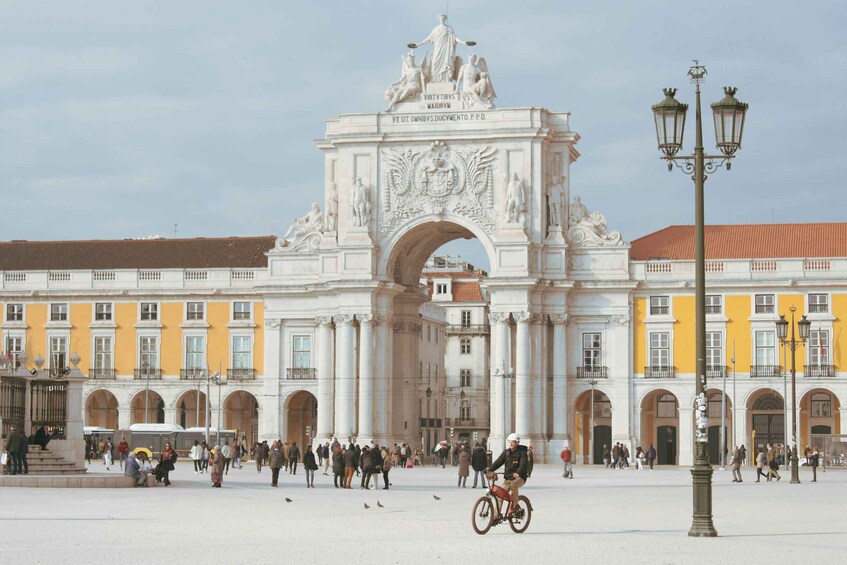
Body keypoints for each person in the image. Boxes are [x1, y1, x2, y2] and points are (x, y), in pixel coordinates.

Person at [409, 14, 473, 83]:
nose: (442, 20)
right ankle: (435, 80)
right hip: (437, 49)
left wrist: (463, 42)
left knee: (446, 63)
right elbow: (428, 38)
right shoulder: (436, 29)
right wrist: (418, 44)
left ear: (445, 19)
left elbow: (455, 38)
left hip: (446, 50)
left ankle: (446, 80)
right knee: (434, 63)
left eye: (443, 19)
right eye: (441, 19)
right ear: (439, 20)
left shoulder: (448, 28)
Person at [486, 433, 528, 517]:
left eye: (513, 442)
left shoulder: (522, 452)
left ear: (517, 442)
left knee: (513, 485)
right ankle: (495, 517)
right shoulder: (506, 452)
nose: (511, 443)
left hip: (520, 477)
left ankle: (515, 506)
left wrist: (518, 473)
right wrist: (490, 470)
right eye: (510, 442)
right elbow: (498, 462)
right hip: (508, 478)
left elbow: (523, 464)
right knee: (499, 495)